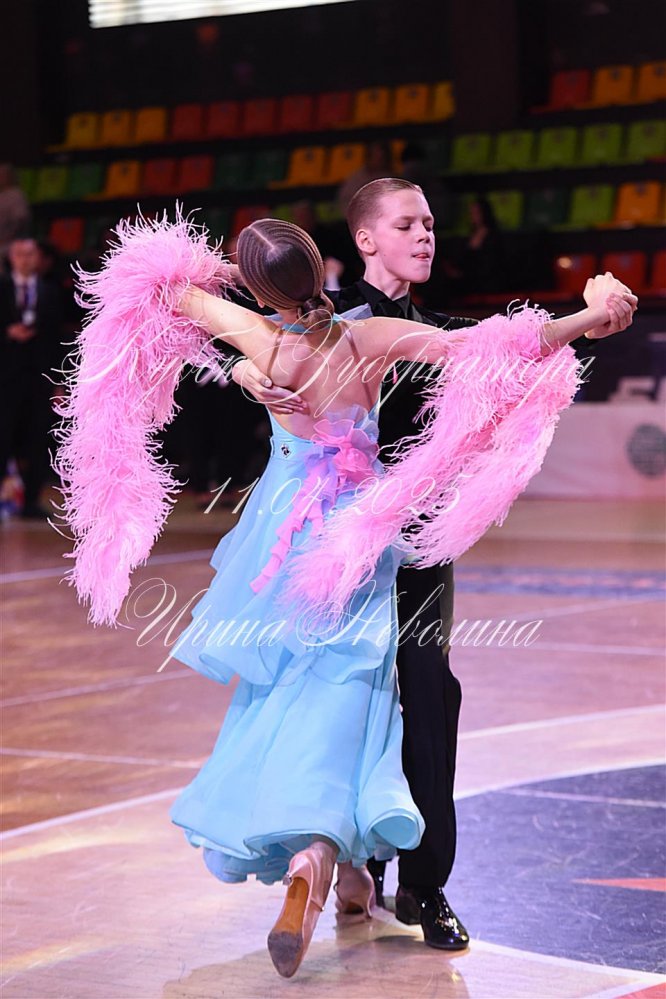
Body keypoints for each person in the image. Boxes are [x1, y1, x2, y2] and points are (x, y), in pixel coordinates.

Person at [56, 214, 635, 980]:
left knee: (292, 691)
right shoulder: (366, 339)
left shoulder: (266, 342)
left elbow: (158, 290)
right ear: (322, 268)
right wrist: (589, 314)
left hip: (279, 543)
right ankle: (328, 859)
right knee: (355, 696)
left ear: (260, 289)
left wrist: (239, 358)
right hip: (355, 540)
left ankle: (323, 864)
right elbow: (491, 346)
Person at [229, 179, 632, 951]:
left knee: (428, 695)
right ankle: (353, 865)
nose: (426, 236)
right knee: (343, 705)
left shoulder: (432, 327)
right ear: (365, 239)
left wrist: (587, 315)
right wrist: (249, 376)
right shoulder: (327, 317)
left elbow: (510, 344)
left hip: (415, 548)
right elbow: (253, 347)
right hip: (335, 553)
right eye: (407, 224)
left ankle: (423, 883)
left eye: (431, 224)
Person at [0, 237, 63, 519]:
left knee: (38, 438)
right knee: (3, 435)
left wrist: (58, 382)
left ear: (38, 258)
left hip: (39, 379)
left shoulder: (50, 291)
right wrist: (7, 332)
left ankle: (31, 499)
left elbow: (57, 339)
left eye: (30, 254)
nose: (25, 260)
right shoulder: (2, 288)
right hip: (5, 378)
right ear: (11, 258)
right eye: (20, 254)